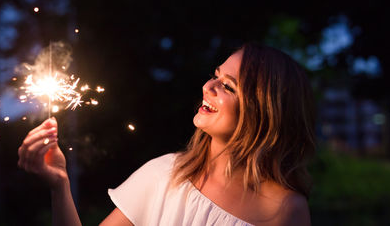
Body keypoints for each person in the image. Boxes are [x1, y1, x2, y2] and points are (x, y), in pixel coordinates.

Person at [18, 43, 315, 226]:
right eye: (216, 75)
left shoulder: (287, 211)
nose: (208, 87)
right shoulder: (165, 174)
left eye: (228, 86)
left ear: (264, 113)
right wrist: (60, 185)